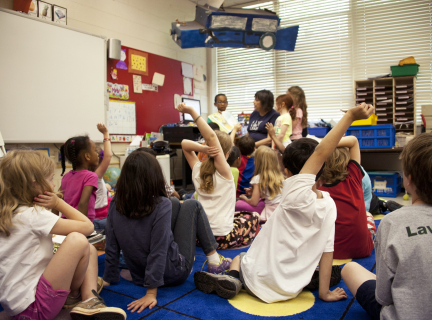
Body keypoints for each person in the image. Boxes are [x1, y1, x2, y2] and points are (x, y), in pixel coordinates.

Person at [193, 103, 374, 303]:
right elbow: (327, 250)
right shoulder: (329, 205)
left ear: (287, 172)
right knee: (329, 270)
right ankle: (312, 281)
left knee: (240, 258)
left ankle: (233, 277)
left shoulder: (294, 193)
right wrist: (325, 293)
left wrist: (349, 116)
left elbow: (321, 152)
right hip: (291, 287)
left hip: (257, 280)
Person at [0, 150, 125, 319]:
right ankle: (82, 299)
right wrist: (59, 203)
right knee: (78, 240)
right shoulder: (32, 215)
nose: (53, 185)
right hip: (35, 309)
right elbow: (87, 226)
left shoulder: (10, 214)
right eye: (50, 179)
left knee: (89, 249)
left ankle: (86, 297)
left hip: (17, 307)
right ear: (34, 183)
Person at [102, 151, 231, 313]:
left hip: (138, 276)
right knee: (192, 205)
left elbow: (111, 244)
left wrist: (109, 277)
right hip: (173, 274)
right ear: (154, 176)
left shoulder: (115, 202)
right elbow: (158, 249)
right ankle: (214, 263)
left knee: (175, 202)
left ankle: (213, 262)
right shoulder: (160, 203)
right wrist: (151, 292)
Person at [341, 132, 432, 320]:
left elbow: (382, 296)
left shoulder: (392, 222)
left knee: (349, 269)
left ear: (409, 180)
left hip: (402, 314)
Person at [179, 103, 260, 249]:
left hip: (200, 237)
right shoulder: (225, 172)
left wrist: (203, 148)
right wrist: (192, 111)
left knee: (238, 214)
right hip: (221, 239)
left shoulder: (197, 168)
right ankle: (238, 244)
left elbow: (184, 144)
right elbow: (211, 136)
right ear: (227, 154)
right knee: (254, 217)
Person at [319, 136, 375, 259]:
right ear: (347, 161)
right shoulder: (354, 178)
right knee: (368, 215)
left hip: (329, 252)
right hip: (362, 249)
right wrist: (326, 142)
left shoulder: (317, 192)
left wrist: (320, 147)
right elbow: (354, 141)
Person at [58, 123, 107, 229]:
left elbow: (57, 198)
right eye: (95, 150)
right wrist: (82, 227)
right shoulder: (91, 176)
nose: (97, 153)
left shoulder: (66, 176)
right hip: (83, 223)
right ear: (87, 156)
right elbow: (83, 202)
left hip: (66, 222)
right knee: (111, 223)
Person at [236, 146, 284, 221]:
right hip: (281, 208)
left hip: (271, 210)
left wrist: (244, 198)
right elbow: (269, 194)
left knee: (238, 203)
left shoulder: (258, 178)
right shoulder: (280, 176)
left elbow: (253, 202)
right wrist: (253, 192)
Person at [92, 124, 112, 226]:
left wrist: (105, 187)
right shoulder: (95, 176)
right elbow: (108, 156)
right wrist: (105, 134)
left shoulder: (80, 175)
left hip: (91, 216)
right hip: (100, 218)